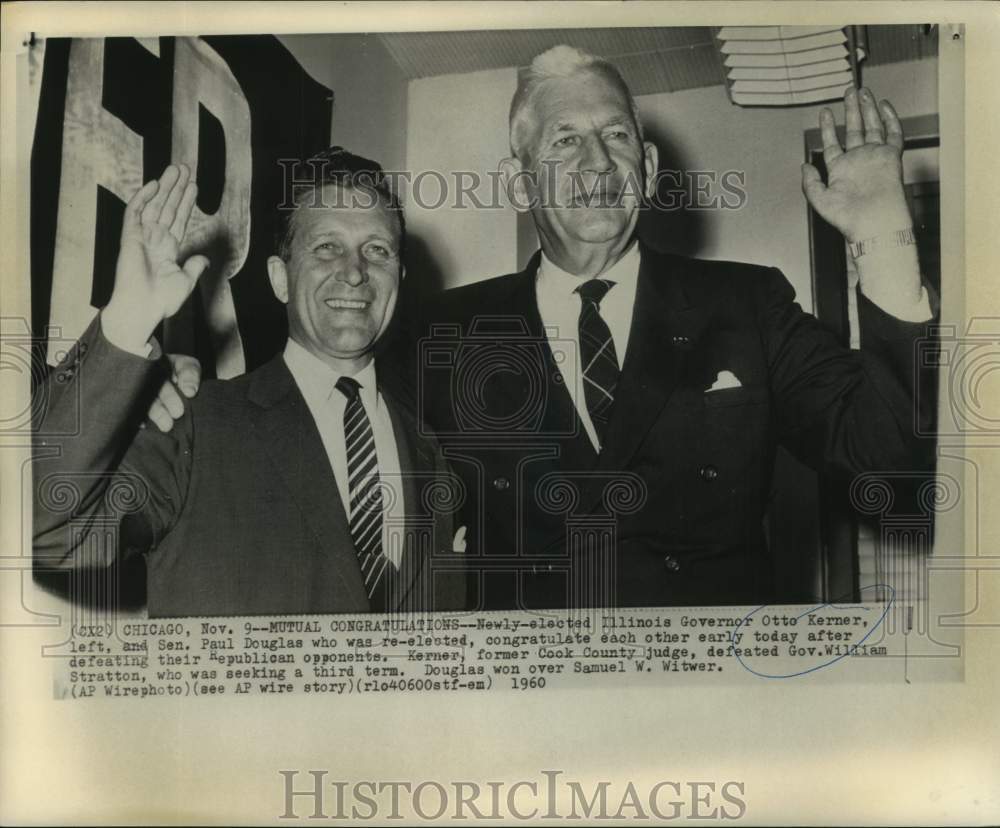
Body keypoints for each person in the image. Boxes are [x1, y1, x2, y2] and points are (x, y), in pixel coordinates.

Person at [412, 45, 936, 609]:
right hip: (535, 685)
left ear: (650, 168)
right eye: (565, 141)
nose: (598, 163)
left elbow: (889, 463)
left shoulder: (747, 304)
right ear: (519, 184)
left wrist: (884, 236)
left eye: (617, 136)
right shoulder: (443, 332)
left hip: (708, 677)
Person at [33, 149, 466, 617]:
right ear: (280, 279)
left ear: (398, 282)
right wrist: (126, 321)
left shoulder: (431, 454)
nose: (355, 271)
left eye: (377, 250)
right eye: (326, 247)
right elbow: (45, 532)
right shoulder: (194, 421)